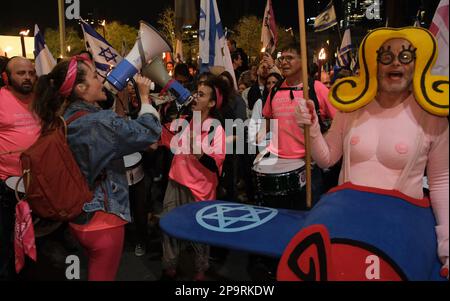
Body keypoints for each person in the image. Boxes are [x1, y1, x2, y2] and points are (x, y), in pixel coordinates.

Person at [295, 32, 448, 279]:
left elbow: (442, 182)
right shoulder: (351, 108)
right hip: (346, 226)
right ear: (373, 63)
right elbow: (327, 159)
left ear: (416, 64)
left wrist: (447, 244)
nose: (396, 63)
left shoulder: (433, 117)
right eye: (386, 56)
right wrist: (312, 128)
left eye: (405, 56)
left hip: (399, 233)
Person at [32, 56, 161, 281]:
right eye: (94, 76)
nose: (101, 80)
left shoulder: (65, 117)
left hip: (79, 216)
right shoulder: (98, 122)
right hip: (103, 220)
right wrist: (144, 96)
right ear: (81, 88)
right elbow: (150, 132)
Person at [160, 74, 228, 281]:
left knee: (200, 231)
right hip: (176, 181)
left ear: (212, 102)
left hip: (200, 189)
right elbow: (159, 137)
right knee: (168, 225)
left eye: (201, 94)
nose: (195, 98)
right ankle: (170, 267)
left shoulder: (216, 129)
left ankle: (200, 270)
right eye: (195, 93)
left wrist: (195, 146)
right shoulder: (183, 120)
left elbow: (214, 165)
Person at [258, 41, 336, 210]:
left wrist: (325, 144)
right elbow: (268, 119)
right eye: (282, 58)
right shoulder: (275, 90)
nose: (284, 62)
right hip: (278, 165)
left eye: (290, 58)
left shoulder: (317, 89)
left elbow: (338, 122)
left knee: (308, 218)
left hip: (309, 166)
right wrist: (260, 143)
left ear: (303, 61)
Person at [0, 57, 40, 280]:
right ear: (7, 77)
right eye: (21, 73)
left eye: (31, 73)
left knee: (34, 239)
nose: (27, 77)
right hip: (5, 185)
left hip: (36, 184)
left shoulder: (40, 100)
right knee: (6, 240)